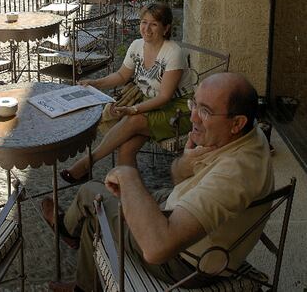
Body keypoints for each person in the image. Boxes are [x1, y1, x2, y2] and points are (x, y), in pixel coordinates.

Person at [42, 72, 274, 292]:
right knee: (115, 199)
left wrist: (127, 173)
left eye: (205, 111)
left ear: (237, 123)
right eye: (194, 104)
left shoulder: (232, 174)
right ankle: (79, 259)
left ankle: (69, 236)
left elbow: (157, 249)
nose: (192, 117)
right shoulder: (248, 136)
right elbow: (178, 180)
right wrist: (186, 163)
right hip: (187, 219)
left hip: (186, 264)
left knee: (92, 195)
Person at [59, 2, 191, 185]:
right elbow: (122, 75)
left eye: (153, 24)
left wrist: (134, 108)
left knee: (134, 119)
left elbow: (164, 97)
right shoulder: (137, 45)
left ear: (166, 28)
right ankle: (128, 199)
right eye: (144, 22)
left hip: (178, 111)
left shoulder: (173, 52)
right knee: (126, 149)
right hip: (150, 105)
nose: (147, 28)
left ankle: (88, 162)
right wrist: (95, 83)